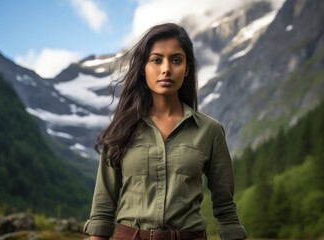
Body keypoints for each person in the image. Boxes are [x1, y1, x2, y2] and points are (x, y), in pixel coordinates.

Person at [83, 22, 247, 240]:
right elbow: (103, 209)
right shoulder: (120, 130)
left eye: (176, 60)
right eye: (156, 60)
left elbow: (226, 209)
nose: (166, 69)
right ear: (143, 67)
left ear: (187, 68)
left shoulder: (210, 131)